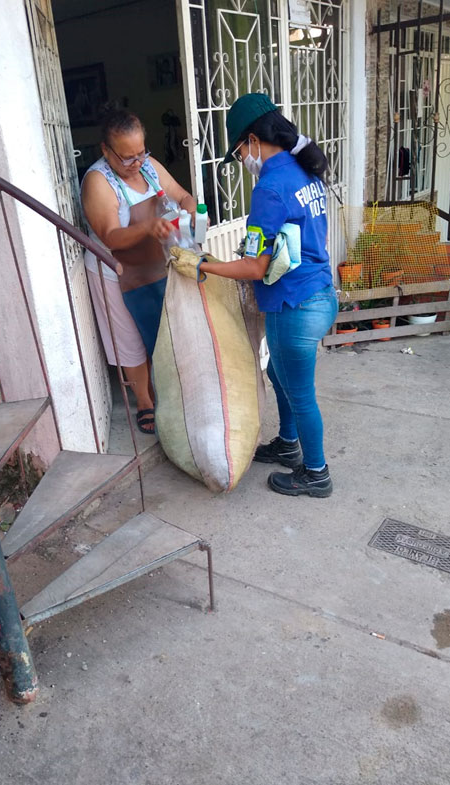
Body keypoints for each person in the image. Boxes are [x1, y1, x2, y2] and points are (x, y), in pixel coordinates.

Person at [171, 93, 337, 497]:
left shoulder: (270, 187)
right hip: (320, 293)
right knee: (280, 375)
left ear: (252, 141)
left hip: (293, 304)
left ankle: (316, 473)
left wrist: (202, 265)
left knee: (300, 393)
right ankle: (288, 444)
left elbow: (254, 267)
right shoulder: (305, 170)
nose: (243, 159)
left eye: (240, 151)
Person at [82, 108, 197, 434]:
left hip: (155, 265)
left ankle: (170, 392)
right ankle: (145, 401)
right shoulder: (98, 181)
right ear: (106, 150)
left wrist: (190, 215)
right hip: (116, 272)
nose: (136, 162)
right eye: (127, 157)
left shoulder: (149, 166)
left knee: (163, 333)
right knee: (130, 339)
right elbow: (111, 235)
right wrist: (148, 226)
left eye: (141, 152)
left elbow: (183, 196)